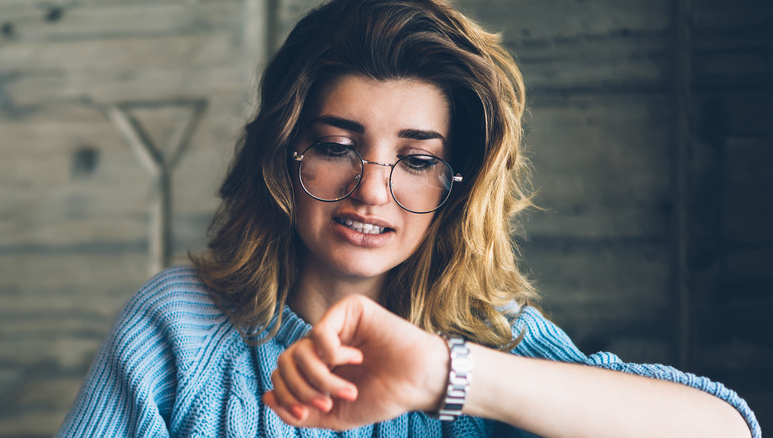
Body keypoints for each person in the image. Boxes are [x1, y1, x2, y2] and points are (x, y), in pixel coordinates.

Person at [58, 0, 760, 437]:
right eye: (337, 148)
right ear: (283, 154)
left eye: (417, 160)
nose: (371, 191)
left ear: (456, 184)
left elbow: (727, 430)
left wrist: (446, 377)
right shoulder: (179, 328)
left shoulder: (486, 337)